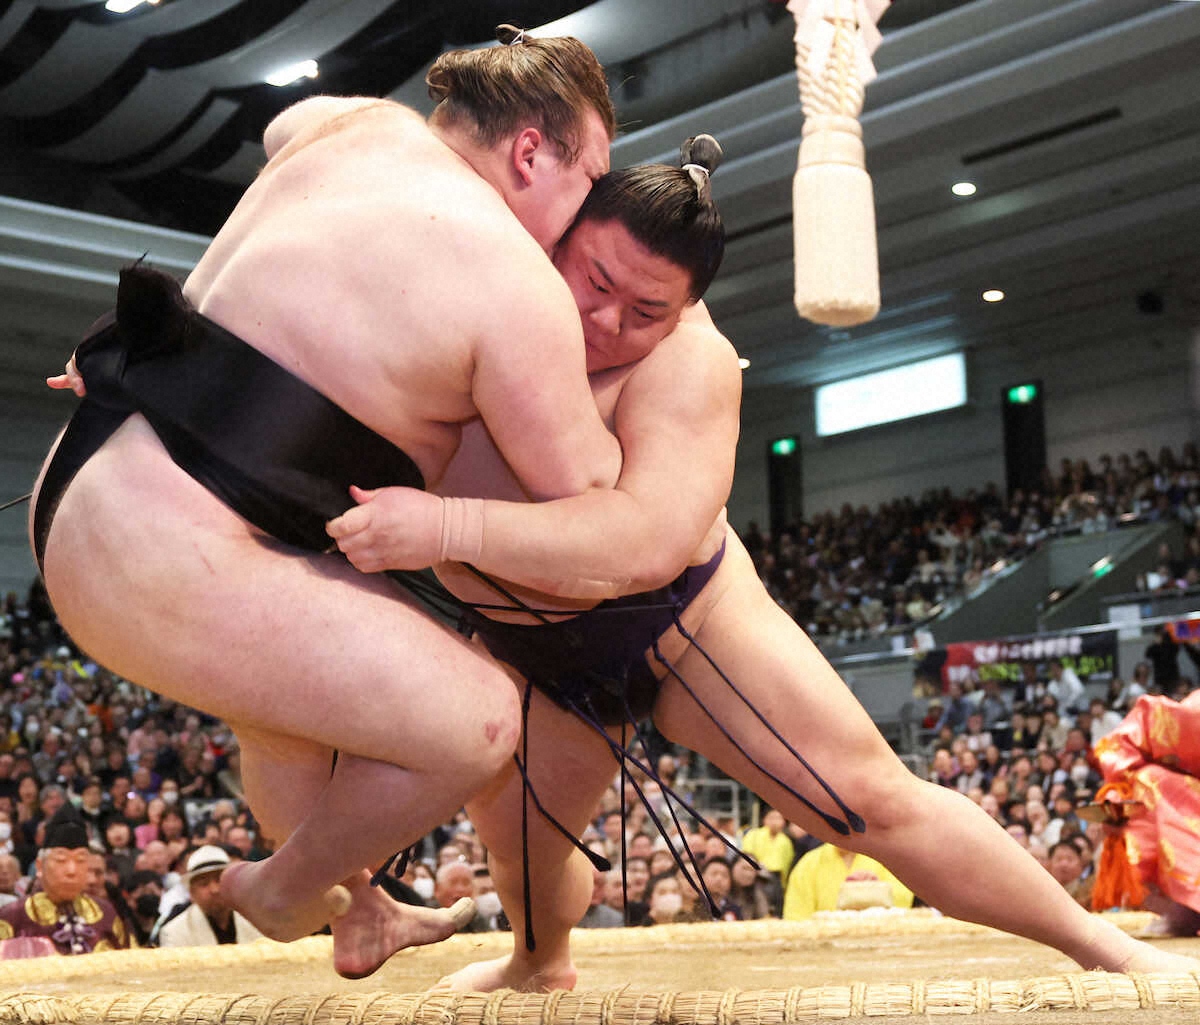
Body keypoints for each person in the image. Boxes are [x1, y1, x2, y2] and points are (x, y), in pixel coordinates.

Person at [333, 148, 1200, 991]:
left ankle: (1101, 947)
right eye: (595, 283)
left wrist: (446, 524)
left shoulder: (692, 365)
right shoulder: (478, 296)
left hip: (681, 622)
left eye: (646, 309)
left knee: (866, 801)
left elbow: (640, 546)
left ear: (686, 310)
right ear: (559, 238)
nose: (608, 324)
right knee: (523, 856)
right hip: (532, 651)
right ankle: (537, 959)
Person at [31, 27, 620, 980]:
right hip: (160, 551)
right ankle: (280, 887)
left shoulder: (348, 126)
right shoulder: (513, 281)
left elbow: (283, 125)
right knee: (476, 720)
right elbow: (585, 490)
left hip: (94, 482)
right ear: (528, 152)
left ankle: (360, 906)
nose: (586, 210)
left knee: (292, 710)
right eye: (588, 176)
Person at [0, 804, 128, 955]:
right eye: (61, 860)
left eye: (80, 860)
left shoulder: (106, 913)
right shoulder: (12, 916)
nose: (71, 871)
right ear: (40, 866)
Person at [157, 846, 263, 947]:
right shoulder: (175, 932)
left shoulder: (257, 921)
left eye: (219, 880)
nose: (214, 889)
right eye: (204, 884)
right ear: (192, 893)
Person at [782, 843, 913, 921]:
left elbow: (902, 907)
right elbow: (796, 918)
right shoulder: (809, 863)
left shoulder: (887, 858)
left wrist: (876, 891)